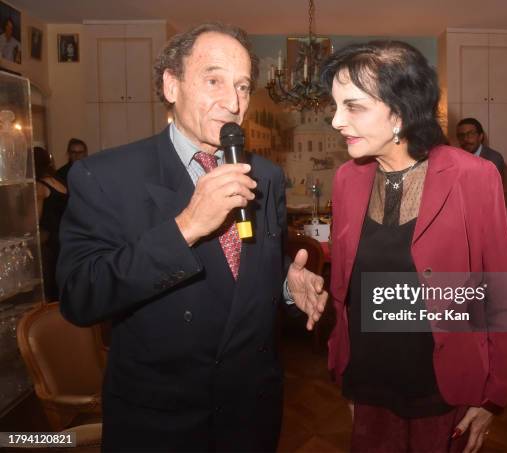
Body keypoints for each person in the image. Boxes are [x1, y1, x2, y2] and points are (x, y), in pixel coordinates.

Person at [57, 23, 327, 452]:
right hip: (158, 425)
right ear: (171, 84)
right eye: (214, 80)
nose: (234, 102)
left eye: (242, 86)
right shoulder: (104, 176)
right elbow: (79, 296)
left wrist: (288, 287)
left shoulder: (268, 177)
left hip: (251, 417)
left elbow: (252, 282)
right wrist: (185, 227)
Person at [321, 41, 507, 452]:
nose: (336, 121)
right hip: (369, 382)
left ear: (400, 111)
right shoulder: (347, 178)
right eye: (336, 106)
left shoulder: (474, 176)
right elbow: (349, 288)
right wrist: (346, 371)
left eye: (353, 106)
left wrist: (494, 394)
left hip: (443, 387)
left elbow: (503, 293)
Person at [33, 146, 68, 301]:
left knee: (50, 283)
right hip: (65, 234)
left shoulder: (40, 186)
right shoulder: (58, 181)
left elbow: (36, 217)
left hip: (50, 238)